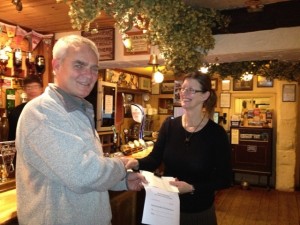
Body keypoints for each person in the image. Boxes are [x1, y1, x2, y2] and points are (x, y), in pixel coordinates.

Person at [15, 35, 146, 225]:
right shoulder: (42, 111)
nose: (89, 75)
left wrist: (122, 181)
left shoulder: (77, 109)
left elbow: (81, 168)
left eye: (94, 68)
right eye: (79, 65)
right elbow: (81, 174)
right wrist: (121, 165)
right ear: (56, 65)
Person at [126, 71, 232, 225]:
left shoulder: (216, 134)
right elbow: (154, 159)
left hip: (198, 212)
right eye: (182, 89)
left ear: (205, 95)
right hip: (166, 209)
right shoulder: (169, 126)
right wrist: (135, 163)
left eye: (191, 90)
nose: (184, 93)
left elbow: (224, 179)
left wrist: (191, 187)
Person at [8, 75, 43, 141]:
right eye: (28, 87)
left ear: (41, 89)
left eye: (35, 87)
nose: (32, 91)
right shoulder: (16, 112)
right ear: (24, 90)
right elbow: (12, 138)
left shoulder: (49, 110)